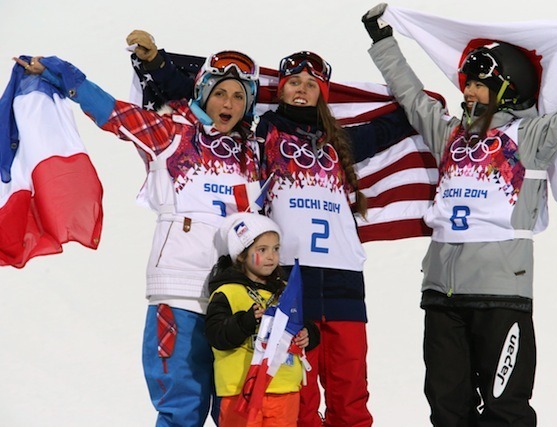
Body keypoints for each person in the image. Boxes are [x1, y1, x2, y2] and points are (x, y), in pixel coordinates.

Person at [129, 33, 417, 426]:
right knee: (295, 396)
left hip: (344, 279)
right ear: (279, 89)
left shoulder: (341, 143)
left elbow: (396, 123)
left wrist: (426, 105)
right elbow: (211, 100)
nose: (302, 89)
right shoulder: (261, 135)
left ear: (324, 93)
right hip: (287, 277)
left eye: (312, 84)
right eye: (294, 82)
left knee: (350, 396)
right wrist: (158, 64)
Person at [361, 4, 557, 426]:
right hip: (442, 292)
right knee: (446, 409)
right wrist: (383, 41)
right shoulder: (450, 135)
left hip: (502, 293)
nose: (469, 92)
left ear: (508, 88)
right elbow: (411, 98)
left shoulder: (528, 136)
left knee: (504, 410)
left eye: (481, 85)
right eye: (469, 84)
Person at [15, 49, 263, 427]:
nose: (228, 103)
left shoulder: (256, 154)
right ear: (203, 94)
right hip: (180, 294)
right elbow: (115, 114)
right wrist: (64, 77)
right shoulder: (173, 134)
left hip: (236, 301)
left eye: (238, 97)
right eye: (220, 93)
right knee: (182, 409)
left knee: (240, 413)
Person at [206, 212, 320, 427]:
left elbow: (302, 323)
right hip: (241, 391)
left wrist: (308, 334)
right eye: (262, 250)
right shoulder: (227, 292)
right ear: (241, 254)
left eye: (276, 249)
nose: (271, 257)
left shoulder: (284, 292)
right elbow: (217, 336)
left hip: (283, 388)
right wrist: (245, 322)